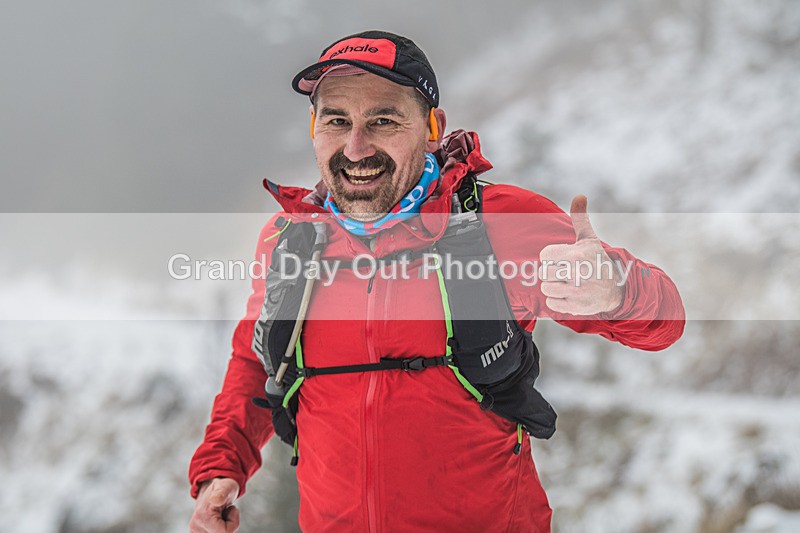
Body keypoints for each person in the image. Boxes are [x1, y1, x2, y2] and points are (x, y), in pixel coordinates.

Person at [189, 30, 685, 532]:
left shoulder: (501, 224)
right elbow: (255, 361)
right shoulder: (288, 240)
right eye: (337, 121)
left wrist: (619, 290)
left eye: (383, 120)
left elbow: (666, 325)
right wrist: (222, 468)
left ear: (432, 127)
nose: (356, 147)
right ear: (314, 127)